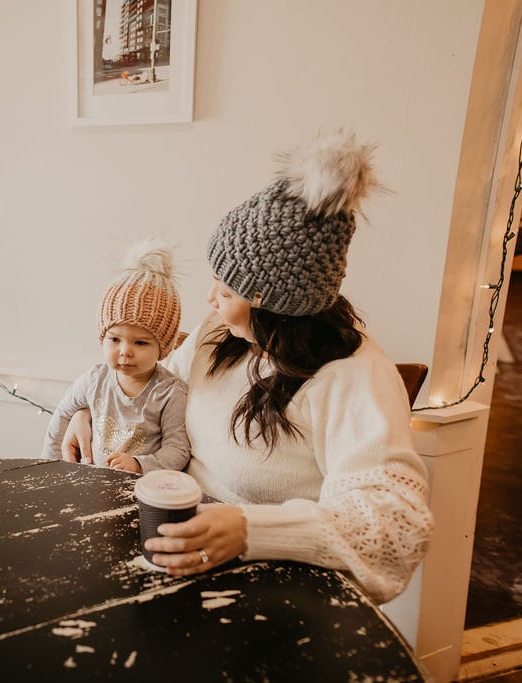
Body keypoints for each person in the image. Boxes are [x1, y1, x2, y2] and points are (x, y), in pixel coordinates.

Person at [63, 131, 434, 604]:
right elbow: (148, 388)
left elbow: (394, 527)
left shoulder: (354, 376)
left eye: (228, 291)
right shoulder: (220, 334)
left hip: (273, 586)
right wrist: (90, 411)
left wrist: (249, 529)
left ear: (275, 305)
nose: (211, 299)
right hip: (181, 554)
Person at [43, 240, 190, 474]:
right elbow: (63, 416)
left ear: (164, 346)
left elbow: (178, 449)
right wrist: (50, 467)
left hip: (142, 492)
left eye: (140, 342)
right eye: (114, 339)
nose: (125, 351)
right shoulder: (95, 379)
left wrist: (140, 464)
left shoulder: (170, 393)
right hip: (92, 484)